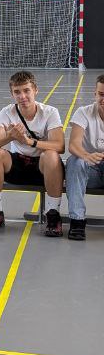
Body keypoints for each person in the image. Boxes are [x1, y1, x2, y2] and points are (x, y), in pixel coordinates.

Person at [0, 69, 64, 236]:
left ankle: (53, 214)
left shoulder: (50, 112)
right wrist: (9, 136)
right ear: (12, 94)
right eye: (17, 92)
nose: (22, 96)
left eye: (26, 90)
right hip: (18, 166)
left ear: (35, 90)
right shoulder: (7, 112)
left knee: (51, 154)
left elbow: (60, 146)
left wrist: (29, 141)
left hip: (43, 168)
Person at [65, 74, 104, 240]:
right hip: (90, 172)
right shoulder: (84, 112)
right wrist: (87, 156)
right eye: (101, 94)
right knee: (75, 161)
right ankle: (77, 221)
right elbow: (73, 145)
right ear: (95, 94)